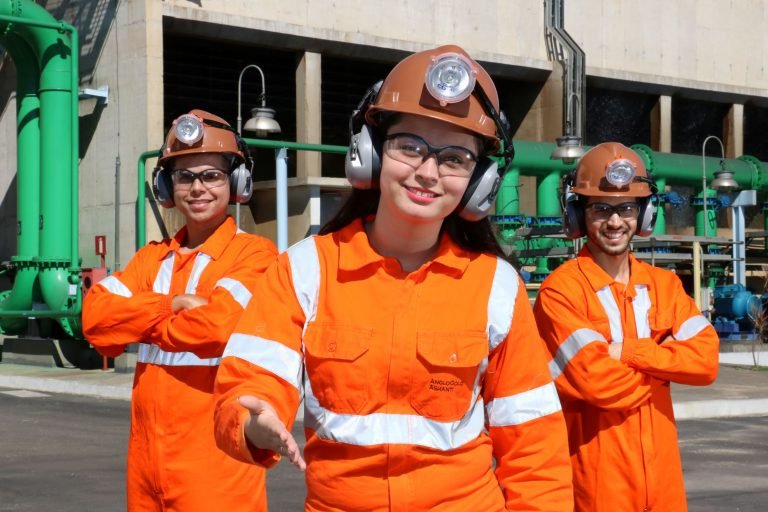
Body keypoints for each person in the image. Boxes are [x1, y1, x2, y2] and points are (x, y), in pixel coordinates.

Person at [213, 45, 573, 511]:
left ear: (480, 181)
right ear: (370, 153)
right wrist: (250, 420)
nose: (427, 172)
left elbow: (536, 451)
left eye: (455, 158)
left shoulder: (496, 288)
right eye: (410, 147)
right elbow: (249, 382)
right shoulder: (305, 270)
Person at [82, 109, 277, 511]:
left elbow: (216, 328)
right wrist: (171, 305)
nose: (197, 187)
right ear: (167, 186)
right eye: (185, 176)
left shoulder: (255, 256)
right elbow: (96, 321)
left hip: (218, 477)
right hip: (146, 476)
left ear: (236, 183)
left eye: (212, 175)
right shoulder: (150, 261)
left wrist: (135, 319)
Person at [533, 142, 719, 511]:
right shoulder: (561, 291)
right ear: (578, 215)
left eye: (627, 209)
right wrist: (664, 369)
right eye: (601, 209)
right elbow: (599, 384)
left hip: (664, 487)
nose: (615, 222)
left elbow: (707, 362)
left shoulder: (664, 285)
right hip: (600, 487)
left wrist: (629, 352)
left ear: (645, 215)